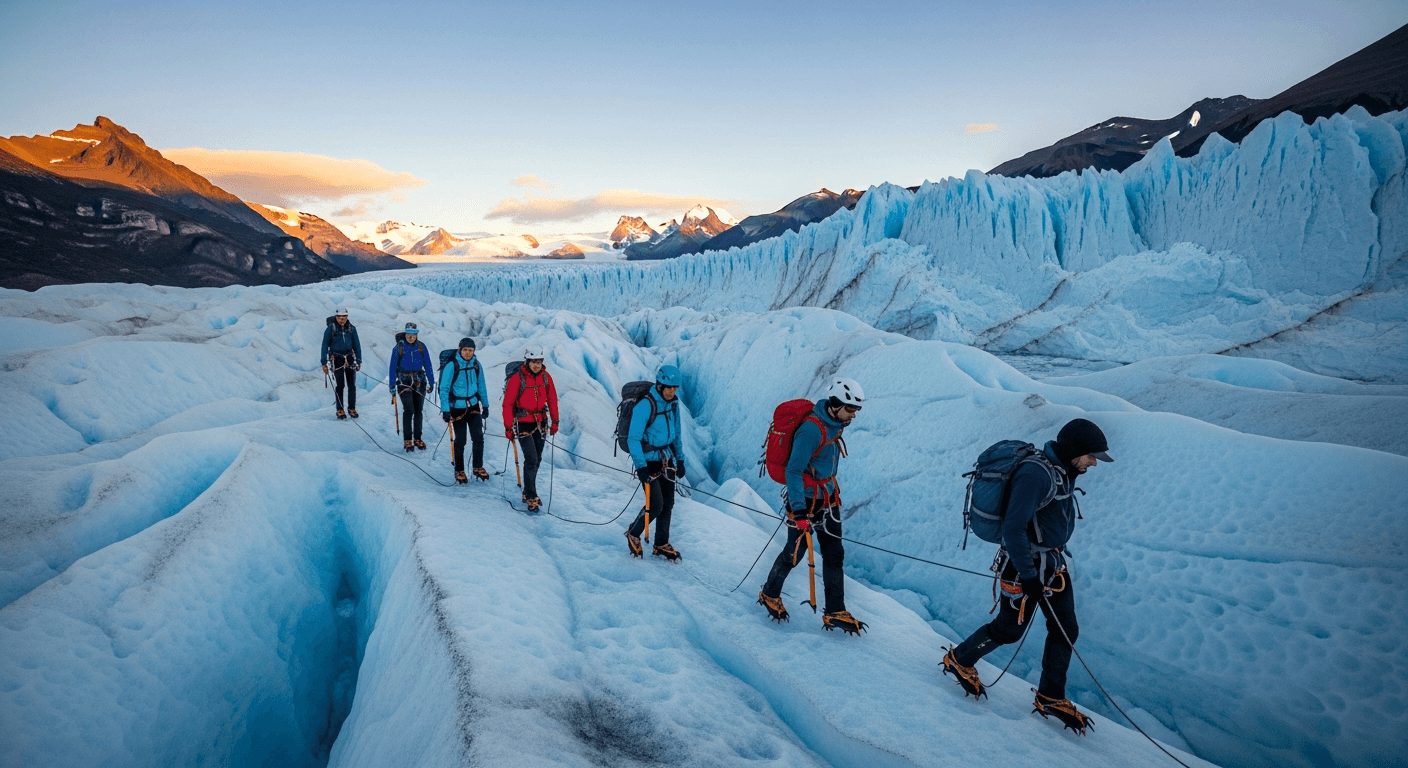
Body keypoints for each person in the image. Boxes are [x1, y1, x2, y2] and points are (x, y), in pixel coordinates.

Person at [940, 418, 1112, 735]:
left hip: (1052, 566)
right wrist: (1030, 576)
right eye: (1091, 456)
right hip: (1023, 570)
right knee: (1009, 630)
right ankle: (960, 660)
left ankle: (1050, 695)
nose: (1093, 463)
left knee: (1066, 628)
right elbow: (1013, 528)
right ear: (1074, 450)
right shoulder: (1036, 474)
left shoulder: (1062, 472)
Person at [758, 377, 867, 635]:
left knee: (834, 554)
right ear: (836, 405)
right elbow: (794, 471)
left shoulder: (835, 423)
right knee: (794, 553)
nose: (853, 415)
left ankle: (835, 610)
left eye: (855, 410)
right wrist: (798, 510)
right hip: (805, 500)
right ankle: (770, 593)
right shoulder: (811, 430)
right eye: (850, 409)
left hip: (828, 498)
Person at [623, 365, 687, 562]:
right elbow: (633, 439)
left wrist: (681, 459)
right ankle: (634, 532)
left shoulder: (673, 405)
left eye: (674, 388)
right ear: (659, 385)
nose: (671, 391)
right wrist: (641, 467)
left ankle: (661, 543)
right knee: (656, 504)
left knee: (668, 503)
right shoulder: (645, 405)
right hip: (648, 462)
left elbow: (676, 434)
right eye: (668, 387)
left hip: (667, 460)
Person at [502, 345, 559, 510]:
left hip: (541, 422)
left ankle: (529, 489)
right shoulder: (517, 379)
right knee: (532, 459)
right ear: (527, 361)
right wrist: (508, 427)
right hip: (523, 422)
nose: (537, 365)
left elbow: (552, 399)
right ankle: (531, 494)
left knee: (537, 459)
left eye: (539, 361)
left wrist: (555, 421)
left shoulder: (546, 377)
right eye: (534, 361)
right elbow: (508, 404)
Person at [439, 337, 490, 484]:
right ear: (460, 350)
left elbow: (482, 385)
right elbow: (444, 388)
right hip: (457, 407)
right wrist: (445, 409)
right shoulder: (452, 365)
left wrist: (485, 405)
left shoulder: (476, 365)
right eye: (465, 350)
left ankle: (477, 467)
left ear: (474, 351)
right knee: (461, 440)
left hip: (473, 405)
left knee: (478, 438)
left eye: (471, 350)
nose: (468, 353)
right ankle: (459, 469)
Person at [388, 322, 435, 452]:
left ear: (416, 334)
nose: (411, 337)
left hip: (419, 379)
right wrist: (392, 384)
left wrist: (431, 381)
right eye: (409, 334)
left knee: (418, 410)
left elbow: (428, 364)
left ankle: (417, 438)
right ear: (405, 334)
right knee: (409, 410)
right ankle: (408, 439)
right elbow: (392, 367)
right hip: (404, 380)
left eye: (413, 334)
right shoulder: (399, 348)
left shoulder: (421, 346)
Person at [321, 308, 362, 419]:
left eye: (344, 317)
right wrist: (323, 362)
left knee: (351, 385)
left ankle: (351, 408)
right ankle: (340, 409)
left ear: (347, 317)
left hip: (349, 358)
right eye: (340, 317)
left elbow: (356, 345)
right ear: (336, 317)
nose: (342, 319)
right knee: (340, 385)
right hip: (337, 359)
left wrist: (358, 360)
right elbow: (325, 345)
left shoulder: (352, 329)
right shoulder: (331, 329)